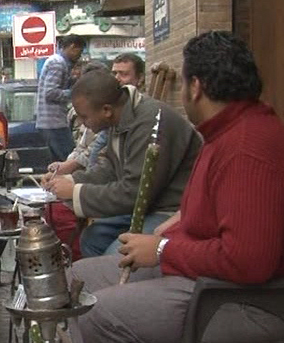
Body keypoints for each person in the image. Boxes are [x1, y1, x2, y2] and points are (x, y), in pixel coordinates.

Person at [70, 30, 284, 343]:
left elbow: (248, 261)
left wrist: (163, 250)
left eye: (183, 83)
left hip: (251, 302)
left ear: (196, 87)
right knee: (79, 279)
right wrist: (173, 227)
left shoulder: (248, 149)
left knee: (104, 316)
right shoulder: (226, 135)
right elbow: (221, 210)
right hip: (214, 283)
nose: (182, 92)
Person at [44, 66, 201, 257]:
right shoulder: (120, 118)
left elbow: (135, 192)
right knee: (92, 238)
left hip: (172, 210)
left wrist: (76, 192)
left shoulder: (149, 122)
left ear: (106, 110)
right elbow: (111, 168)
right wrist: (70, 180)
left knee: (119, 256)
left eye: (85, 117)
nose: (83, 123)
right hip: (148, 206)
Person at [36, 34, 86, 162]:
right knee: (69, 161)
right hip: (54, 122)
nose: (79, 56)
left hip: (51, 122)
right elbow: (50, 93)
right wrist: (74, 93)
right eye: (79, 52)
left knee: (58, 163)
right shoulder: (58, 63)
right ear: (72, 47)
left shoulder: (57, 62)